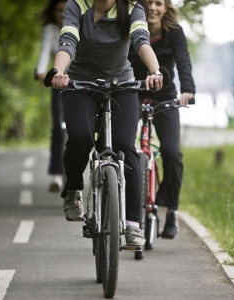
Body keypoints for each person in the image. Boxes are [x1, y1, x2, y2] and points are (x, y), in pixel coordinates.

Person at [46, 0, 164, 246]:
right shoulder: (76, 5)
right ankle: (74, 189)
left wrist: (155, 71)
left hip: (121, 84)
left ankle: (132, 224)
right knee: (80, 137)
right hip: (82, 84)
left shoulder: (133, 7)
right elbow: (68, 41)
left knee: (125, 146)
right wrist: (58, 72)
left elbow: (141, 40)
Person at [129, 0, 196, 239]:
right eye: (148, 3)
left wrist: (187, 89)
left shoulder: (174, 32)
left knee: (171, 152)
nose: (152, 8)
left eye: (158, 3)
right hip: (132, 95)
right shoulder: (131, 28)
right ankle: (125, 210)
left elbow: (184, 62)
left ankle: (172, 210)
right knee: (125, 148)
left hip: (165, 98)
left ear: (166, 7)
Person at [36, 0, 67, 192]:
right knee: (58, 128)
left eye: (65, 10)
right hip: (59, 82)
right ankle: (57, 173)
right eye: (58, 11)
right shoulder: (50, 30)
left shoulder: (79, 26)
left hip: (80, 83)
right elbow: (45, 51)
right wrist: (40, 71)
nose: (62, 14)